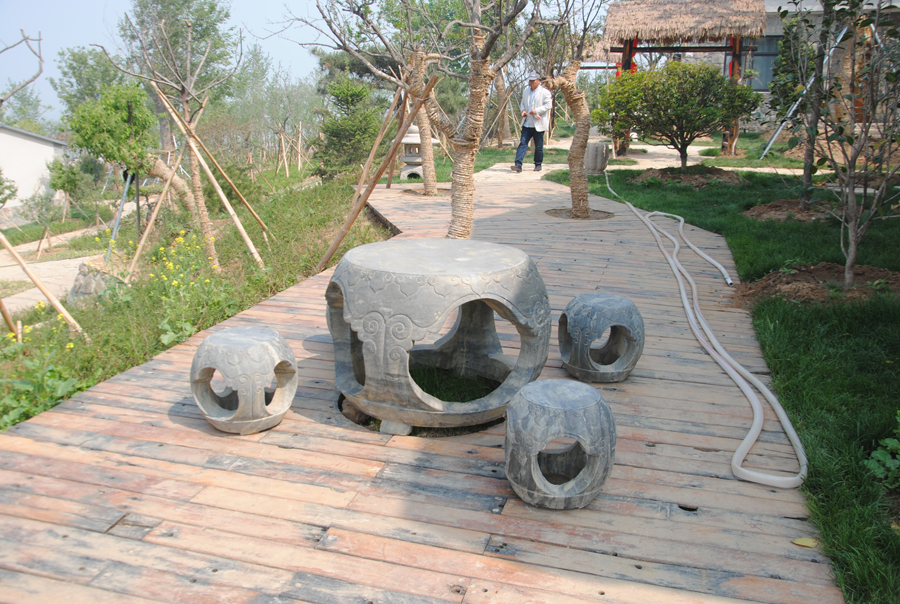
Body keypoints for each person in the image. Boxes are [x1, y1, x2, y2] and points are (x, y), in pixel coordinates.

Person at [511, 71, 553, 173]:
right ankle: (518, 164)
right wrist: (523, 111)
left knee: (538, 146)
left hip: (538, 123)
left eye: (533, 81)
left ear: (538, 81)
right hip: (527, 123)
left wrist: (537, 110)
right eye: (530, 80)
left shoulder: (545, 92)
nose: (531, 82)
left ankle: (538, 164)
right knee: (523, 143)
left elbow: (548, 105)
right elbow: (523, 103)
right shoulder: (526, 91)